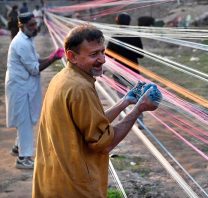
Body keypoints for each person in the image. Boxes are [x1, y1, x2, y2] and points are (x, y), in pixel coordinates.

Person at [32, 25, 161, 197]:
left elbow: (90, 125)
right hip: (74, 187)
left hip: (54, 180)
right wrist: (139, 110)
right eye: (94, 54)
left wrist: (125, 102)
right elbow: (105, 143)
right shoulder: (80, 88)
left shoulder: (64, 78)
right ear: (72, 56)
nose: (102, 60)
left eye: (102, 52)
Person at [5, 12, 64, 169]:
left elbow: (35, 60)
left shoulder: (27, 39)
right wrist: (53, 59)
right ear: (22, 26)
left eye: (34, 24)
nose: (34, 27)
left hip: (24, 85)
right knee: (24, 121)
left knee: (26, 119)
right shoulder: (21, 43)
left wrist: (52, 56)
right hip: (20, 87)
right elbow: (34, 69)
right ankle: (23, 158)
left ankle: (18, 147)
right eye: (31, 25)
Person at [106, 12, 145, 126]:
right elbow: (141, 55)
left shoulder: (114, 37)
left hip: (119, 73)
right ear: (129, 22)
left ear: (117, 22)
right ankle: (140, 120)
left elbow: (108, 55)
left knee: (121, 97)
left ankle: (122, 118)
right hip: (134, 72)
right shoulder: (135, 36)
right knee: (138, 96)